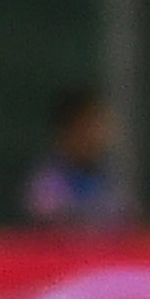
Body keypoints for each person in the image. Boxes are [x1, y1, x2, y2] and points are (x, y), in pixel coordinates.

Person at [23, 84, 128, 229]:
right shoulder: (46, 184)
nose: (98, 135)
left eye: (100, 125)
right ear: (69, 129)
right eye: (89, 125)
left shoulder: (109, 180)